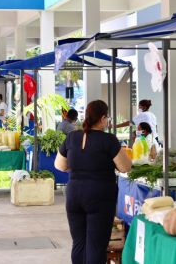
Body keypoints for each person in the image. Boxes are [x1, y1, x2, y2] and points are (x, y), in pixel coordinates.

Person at [54, 100, 132, 264]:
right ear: (103, 118)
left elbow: (59, 165)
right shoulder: (108, 140)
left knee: (79, 243)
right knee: (96, 245)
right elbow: (125, 167)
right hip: (100, 197)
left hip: (74, 195)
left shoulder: (72, 137)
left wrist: (79, 167)